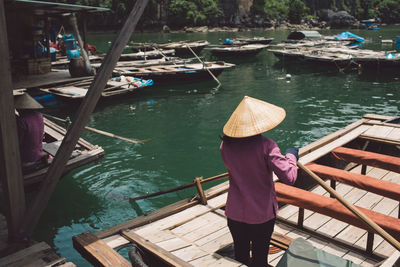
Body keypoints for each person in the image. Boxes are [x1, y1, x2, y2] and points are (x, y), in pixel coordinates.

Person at [220, 96, 299, 267]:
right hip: (260, 215)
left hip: (234, 213)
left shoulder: (225, 146)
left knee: (240, 256)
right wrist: (292, 155)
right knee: (259, 259)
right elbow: (290, 177)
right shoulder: (267, 146)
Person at [14, 92, 46, 173]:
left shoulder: (21, 121)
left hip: (26, 158)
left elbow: (18, 142)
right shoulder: (39, 115)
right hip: (38, 153)